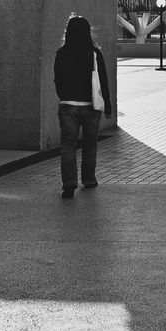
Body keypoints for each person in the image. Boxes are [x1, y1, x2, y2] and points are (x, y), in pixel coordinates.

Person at [53, 14, 112, 199]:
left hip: (68, 106)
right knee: (90, 145)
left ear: (68, 32)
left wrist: (64, 96)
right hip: (90, 106)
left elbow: (58, 81)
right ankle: (89, 179)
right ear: (88, 33)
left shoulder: (61, 54)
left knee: (68, 147)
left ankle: (69, 184)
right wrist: (108, 105)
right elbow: (103, 81)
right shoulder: (95, 54)